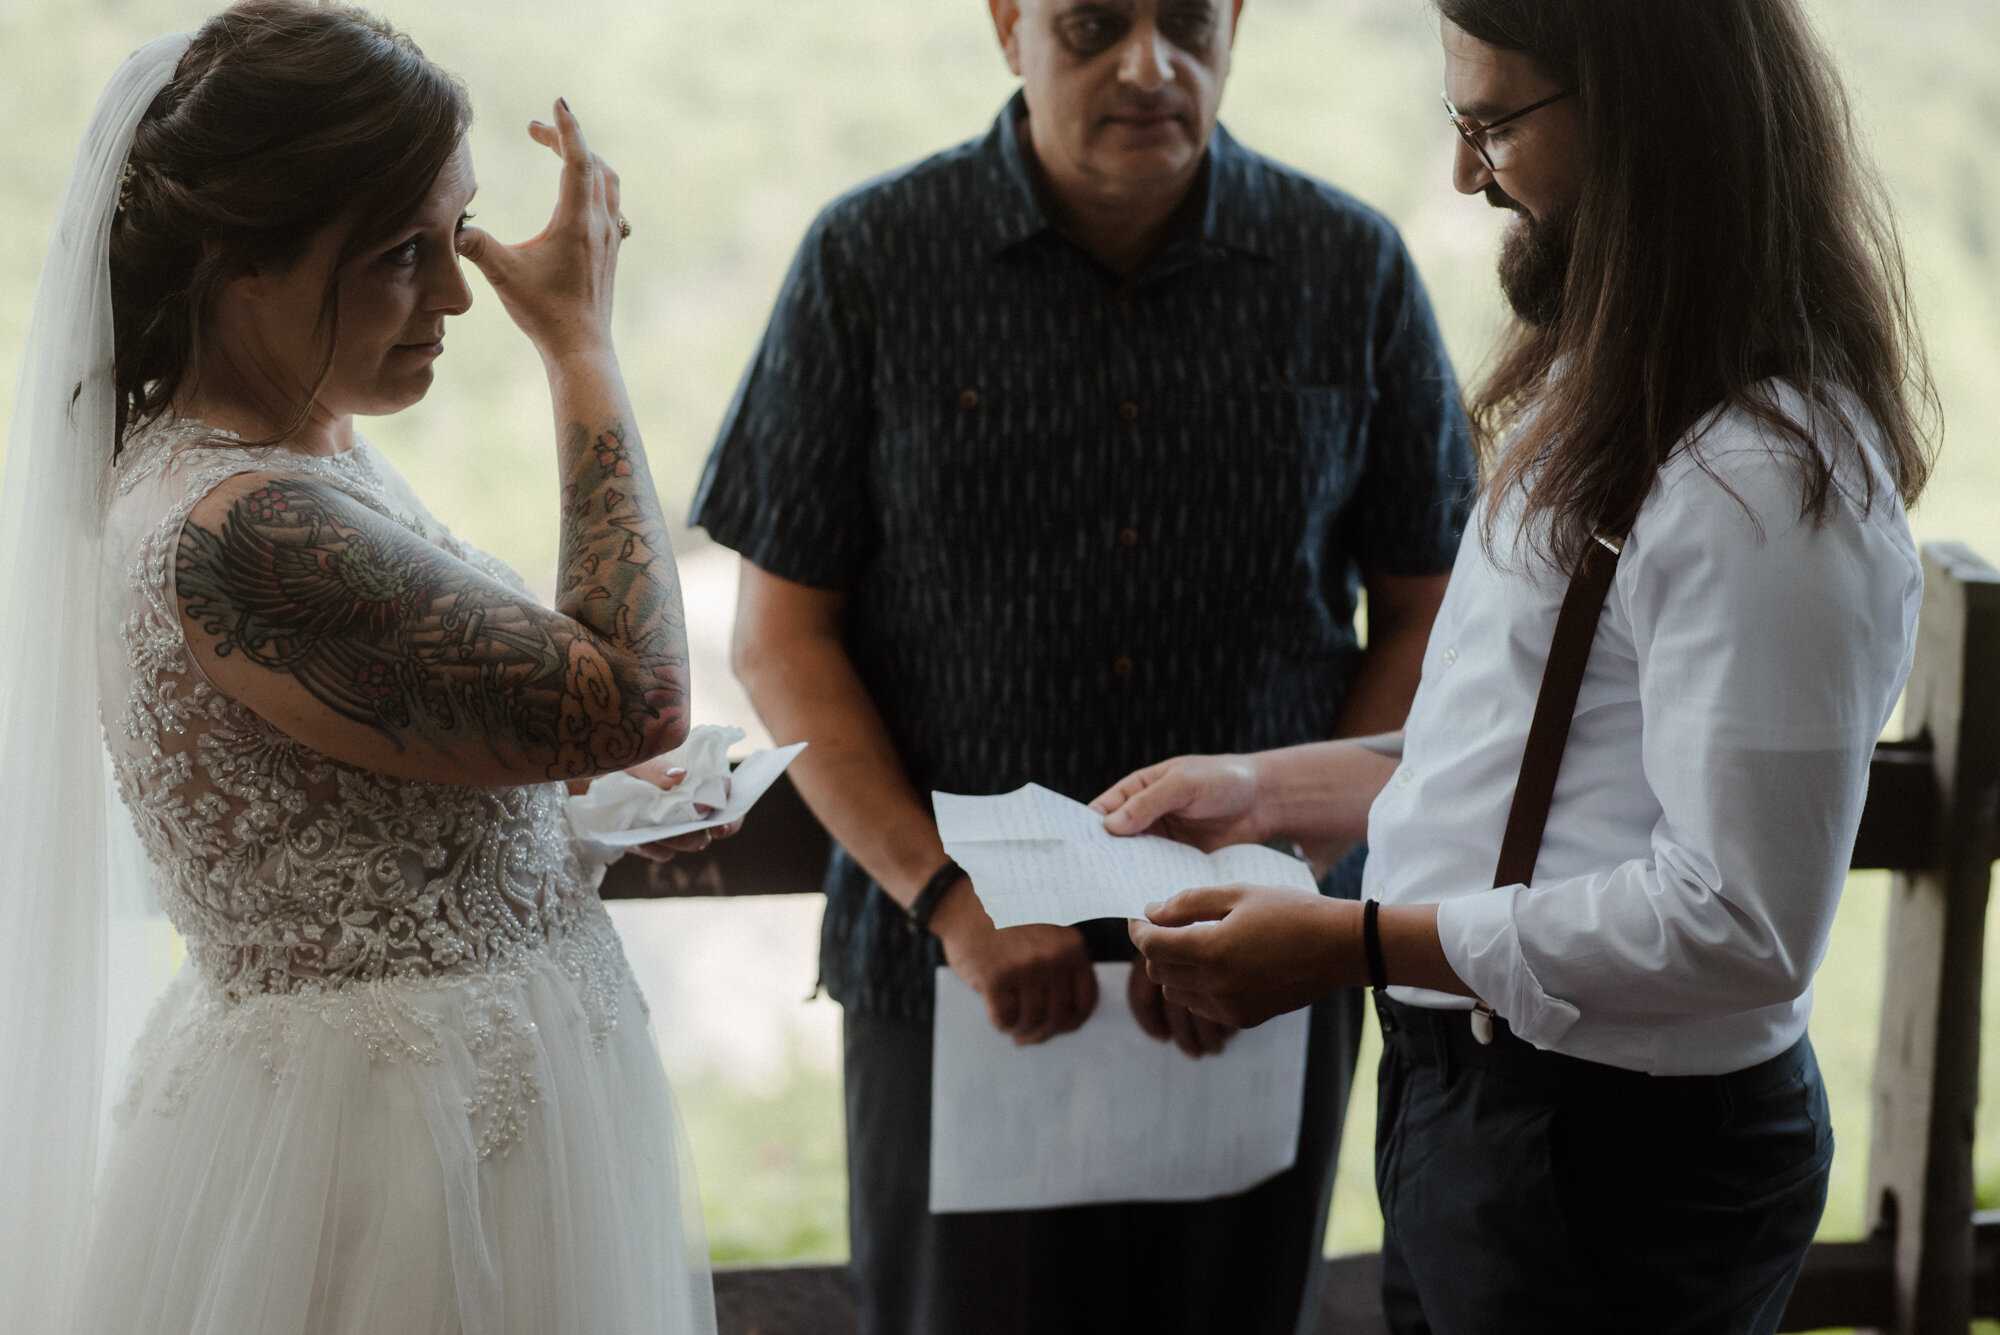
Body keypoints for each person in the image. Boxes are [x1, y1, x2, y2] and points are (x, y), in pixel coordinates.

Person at [1100, 0, 1936, 1330]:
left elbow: (1742, 929)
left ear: (1652, 123)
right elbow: (1537, 752)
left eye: (1492, 125)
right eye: (1459, 120)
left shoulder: (1761, 477)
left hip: (1619, 1159)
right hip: (1486, 1108)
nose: (1466, 175)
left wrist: (1351, 943)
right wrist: (1270, 793)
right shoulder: (1608, 395)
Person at [690, 1, 1474, 1330]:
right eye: (1095, 22)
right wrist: (948, 900)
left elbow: (1430, 611)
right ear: (1009, 25)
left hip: (1265, 961)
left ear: (1235, 23)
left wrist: (1292, 892)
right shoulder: (873, 260)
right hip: (953, 973)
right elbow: (779, 636)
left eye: (1185, 19)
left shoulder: (1350, 266)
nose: (1146, 63)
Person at [0, 4, 726, 1330]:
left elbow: (365, 781)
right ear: (242, 268)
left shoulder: (301, 445)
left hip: (461, 1109)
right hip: (398, 1163)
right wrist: (581, 348)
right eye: (401, 253)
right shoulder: (240, 531)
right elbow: (636, 693)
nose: (457, 292)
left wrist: (566, 819)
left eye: (454, 234)